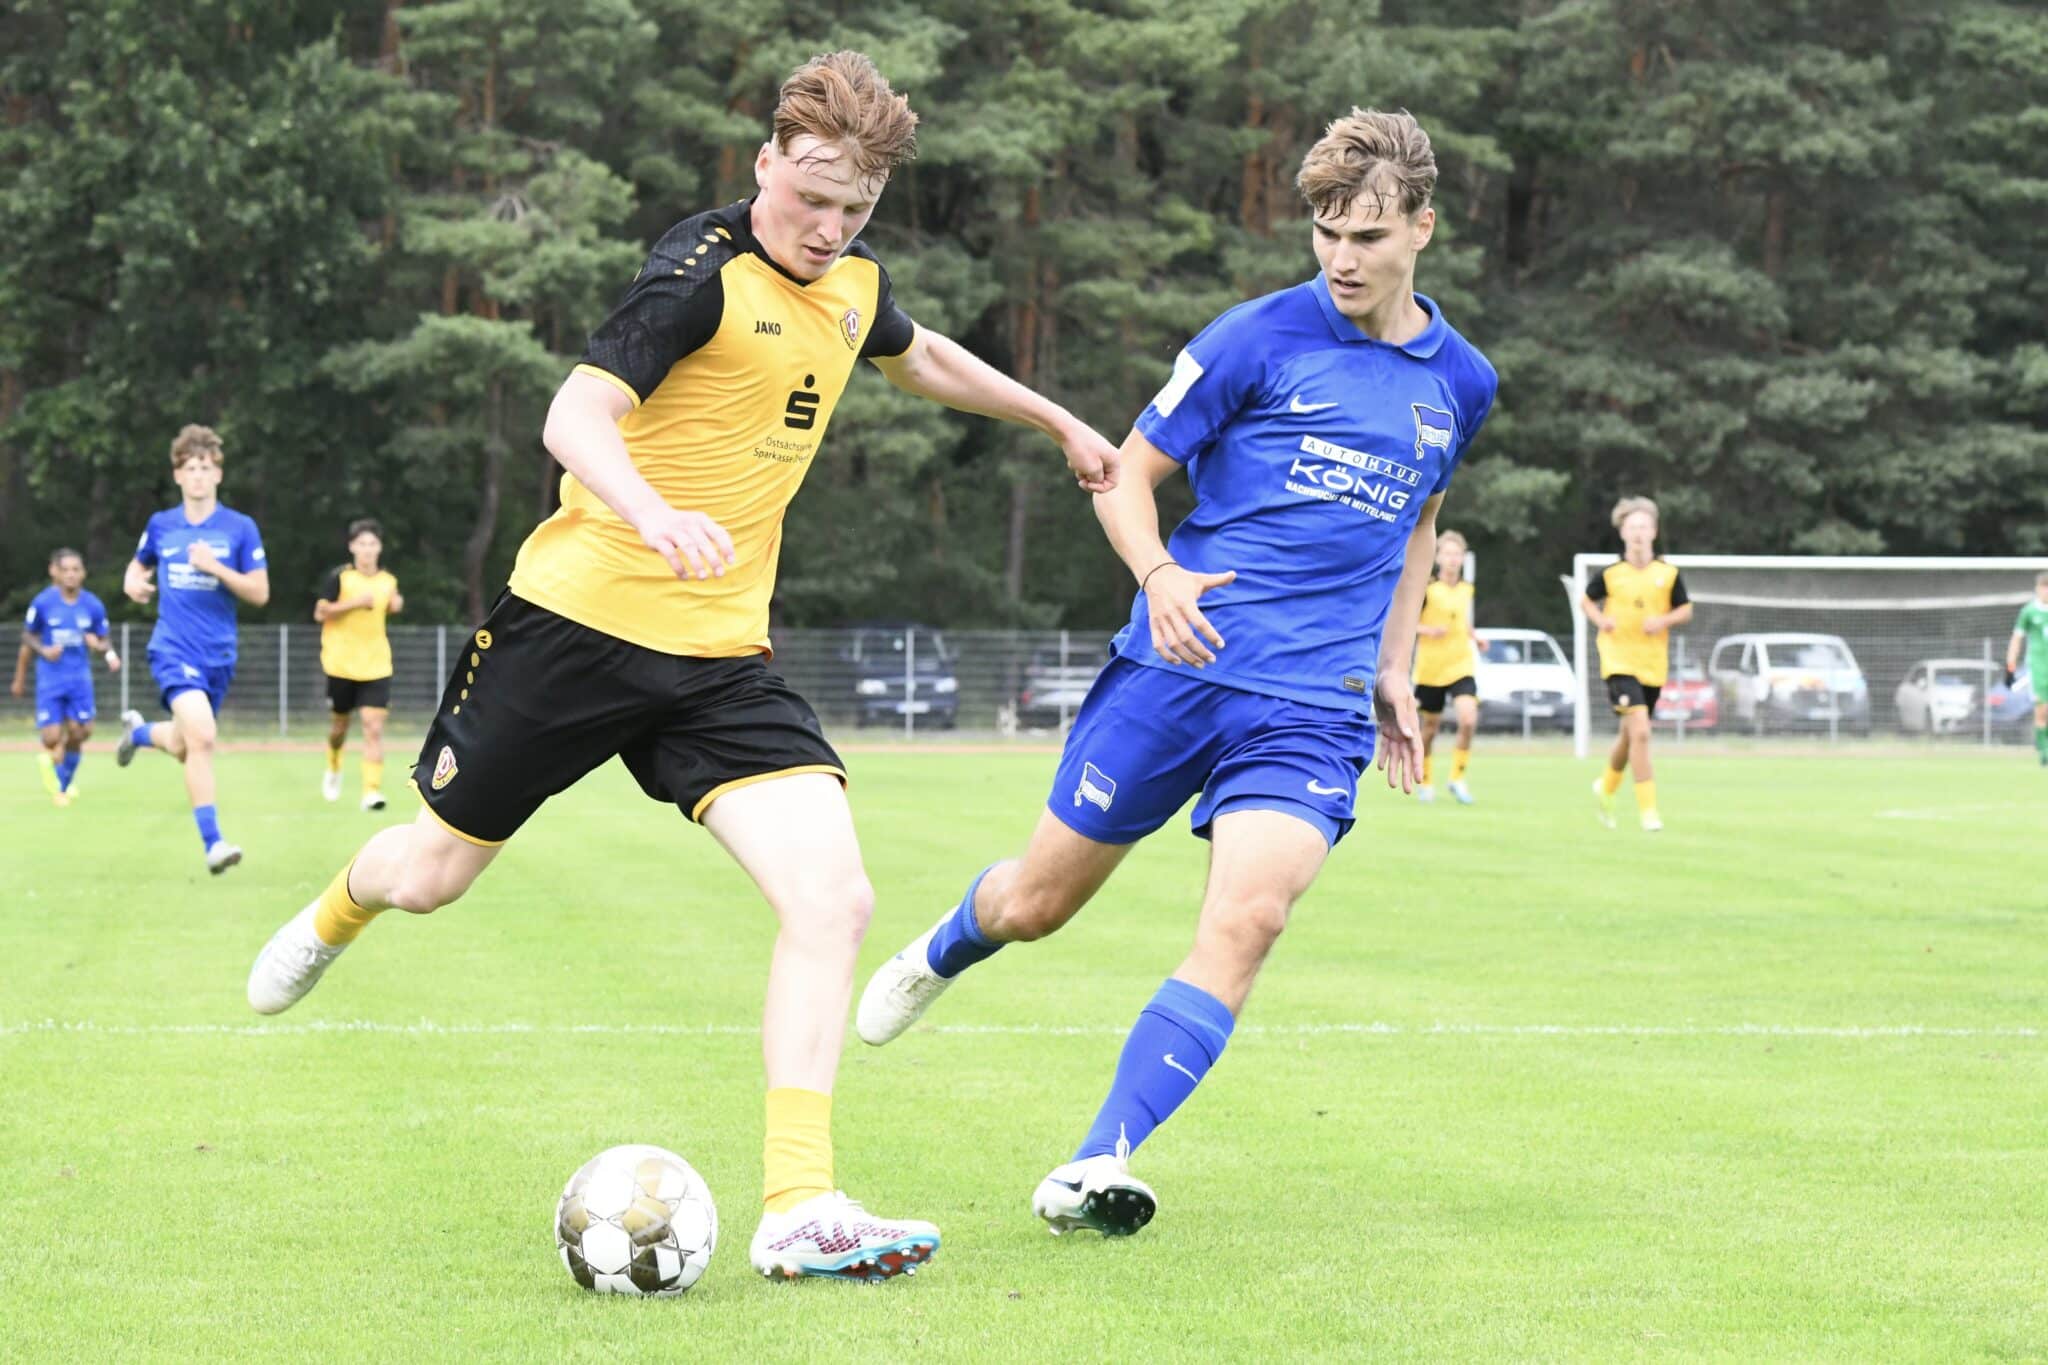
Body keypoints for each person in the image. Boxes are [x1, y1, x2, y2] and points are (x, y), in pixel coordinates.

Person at [244, 51, 1122, 1283]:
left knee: (835, 899)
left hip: (718, 658)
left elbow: (916, 355)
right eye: (808, 197)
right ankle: (338, 908)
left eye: (852, 209)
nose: (825, 229)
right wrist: (651, 513)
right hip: (573, 631)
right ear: (766, 161)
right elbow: (571, 419)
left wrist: (1057, 420)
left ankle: (796, 1204)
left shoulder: (854, 285)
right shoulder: (695, 280)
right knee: (433, 875)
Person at [856, 108, 1496, 1238]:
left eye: (1366, 236)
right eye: (1324, 233)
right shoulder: (1252, 337)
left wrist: (1395, 665)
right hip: (1178, 669)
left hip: (1310, 705)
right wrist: (1155, 576)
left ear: (1422, 230)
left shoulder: (1462, 383)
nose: (1340, 258)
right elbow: (1123, 475)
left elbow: (1417, 517)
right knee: (1035, 905)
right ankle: (952, 938)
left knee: (1249, 919)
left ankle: (1096, 1160)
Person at [115, 424, 270, 872]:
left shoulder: (240, 528)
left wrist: (215, 567)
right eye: (190, 468)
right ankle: (213, 843)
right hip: (172, 648)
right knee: (202, 736)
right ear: (178, 475)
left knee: (186, 746)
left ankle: (139, 733)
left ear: (218, 474)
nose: (198, 475)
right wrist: (131, 580)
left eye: (206, 467)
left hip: (218, 655)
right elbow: (138, 564)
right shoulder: (161, 524)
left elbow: (259, 592)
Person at [1580, 496, 1689, 832]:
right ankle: (1649, 812)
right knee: (1641, 731)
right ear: (1623, 533)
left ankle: (1606, 788)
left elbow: (1685, 609)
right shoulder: (1612, 575)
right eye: (1632, 527)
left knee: (1630, 736)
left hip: (1652, 664)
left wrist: (1663, 621)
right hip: (1617, 660)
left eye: (1644, 526)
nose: (1639, 533)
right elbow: (1586, 599)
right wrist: (1600, 619)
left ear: (1654, 532)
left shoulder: (1667, 574)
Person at [11, 548, 121, 806]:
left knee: (82, 731)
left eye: (76, 569)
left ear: (83, 573)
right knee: (50, 737)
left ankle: (62, 780)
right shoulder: (43, 603)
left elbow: (106, 641)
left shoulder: (92, 605)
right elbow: (27, 636)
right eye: (66, 570)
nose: (71, 575)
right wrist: (43, 651)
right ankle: (62, 784)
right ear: (56, 572)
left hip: (79, 677)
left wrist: (100, 647)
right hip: (51, 677)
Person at [316, 519, 404, 809]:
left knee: (373, 728)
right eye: (362, 544)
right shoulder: (340, 578)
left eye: (372, 544)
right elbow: (321, 612)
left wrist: (395, 603)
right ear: (352, 547)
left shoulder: (387, 581)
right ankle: (334, 764)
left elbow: (392, 602)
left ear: (379, 548)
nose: (367, 550)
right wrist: (354, 603)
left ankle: (371, 792)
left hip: (377, 665)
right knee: (340, 727)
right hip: (340, 664)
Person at [1412, 529, 1484, 804]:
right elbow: (1407, 624)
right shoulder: (1427, 589)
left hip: (1461, 665)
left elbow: (1462, 622)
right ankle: (1426, 781)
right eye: (1448, 554)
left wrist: (1475, 636)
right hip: (1431, 669)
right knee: (1429, 729)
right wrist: (1428, 630)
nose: (1453, 559)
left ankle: (1457, 778)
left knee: (1468, 719)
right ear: (1438, 556)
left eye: (1458, 554)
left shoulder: (1467, 589)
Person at [2004, 571, 2048, 766]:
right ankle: (2043, 750)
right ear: (2037, 589)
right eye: (2044, 587)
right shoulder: (2029, 611)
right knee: (2042, 708)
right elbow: (2017, 638)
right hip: (2038, 666)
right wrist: (2010, 665)